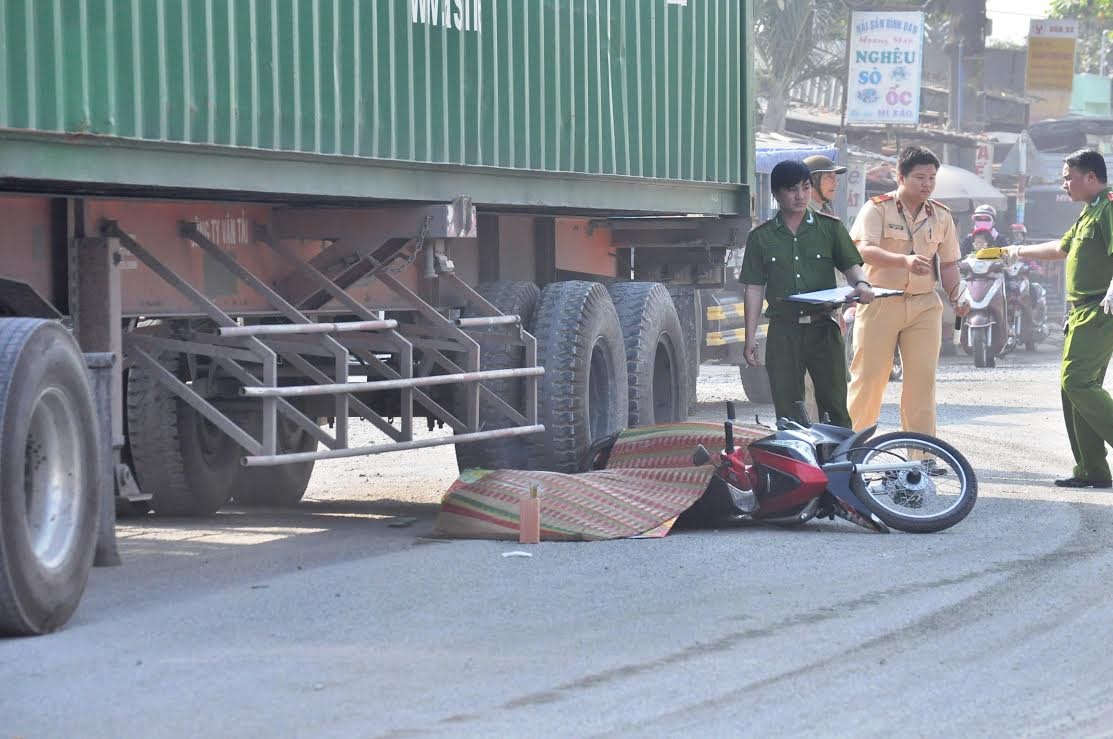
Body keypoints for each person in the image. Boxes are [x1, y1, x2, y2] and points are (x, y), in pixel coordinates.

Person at [1003, 148, 1113, 488]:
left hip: (1101, 307)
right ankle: (1091, 468)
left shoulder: (1109, 207)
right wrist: (1016, 251)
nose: (1063, 184)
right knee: (1074, 389)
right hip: (1081, 310)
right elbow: (1060, 249)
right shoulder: (1088, 212)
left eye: (1068, 178)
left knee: (1077, 381)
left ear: (1091, 177)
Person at [846, 145, 972, 436]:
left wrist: (958, 296)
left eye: (931, 178)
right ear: (900, 177)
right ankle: (852, 450)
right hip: (880, 302)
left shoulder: (941, 215)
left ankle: (923, 454)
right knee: (869, 379)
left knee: (922, 383)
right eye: (919, 177)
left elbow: (950, 264)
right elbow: (863, 250)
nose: (926, 184)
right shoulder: (876, 208)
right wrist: (904, 260)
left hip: (925, 306)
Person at [739, 160, 875, 427]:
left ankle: (837, 465)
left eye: (804, 188)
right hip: (783, 331)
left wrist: (862, 285)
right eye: (792, 190)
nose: (800, 196)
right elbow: (754, 289)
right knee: (788, 409)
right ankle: (797, 466)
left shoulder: (830, 228)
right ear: (777, 194)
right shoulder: (761, 237)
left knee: (834, 406)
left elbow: (852, 267)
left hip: (823, 329)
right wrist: (749, 337)